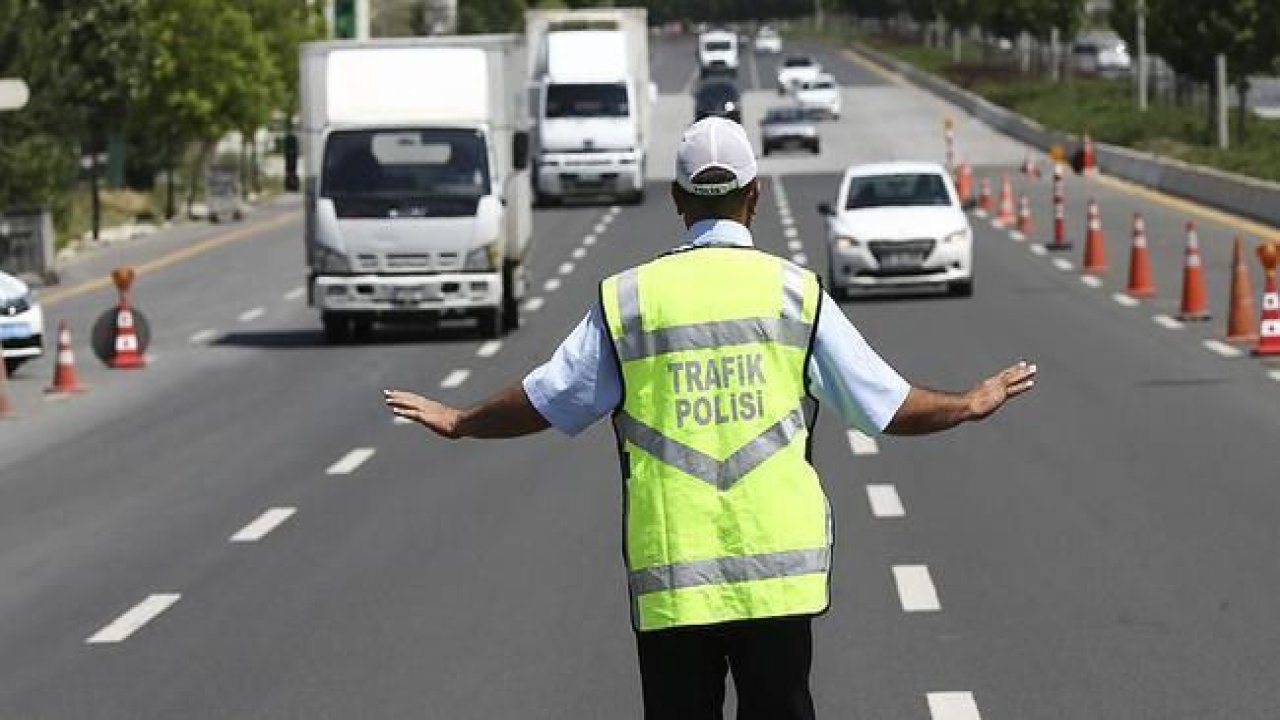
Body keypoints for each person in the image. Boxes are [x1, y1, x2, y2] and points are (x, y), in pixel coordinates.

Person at [384, 117, 1037, 720]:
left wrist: (463, 419)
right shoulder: (793, 293)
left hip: (674, 578)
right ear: (753, 196)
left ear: (677, 200)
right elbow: (884, 404)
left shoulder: (631, 301)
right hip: (778, 581)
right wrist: (968, 403)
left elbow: (549, 397)